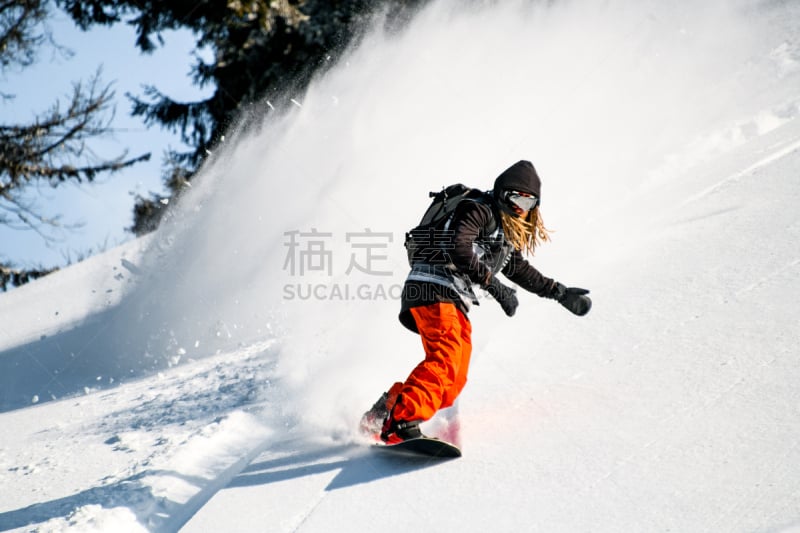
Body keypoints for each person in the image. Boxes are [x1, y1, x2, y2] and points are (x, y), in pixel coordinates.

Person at [360, 160, 592, 444]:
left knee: (454, 378)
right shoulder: (479, 210)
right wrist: (494, 285)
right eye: (515, 198)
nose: (520, 208)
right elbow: (458, 247)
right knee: (444, 360)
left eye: (528, 204)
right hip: (432, 288)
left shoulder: (503, 237)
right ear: (501, 194)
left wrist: (559, 292)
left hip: (452, 298)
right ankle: (401, 422)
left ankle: (384, 413)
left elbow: (519, 269)